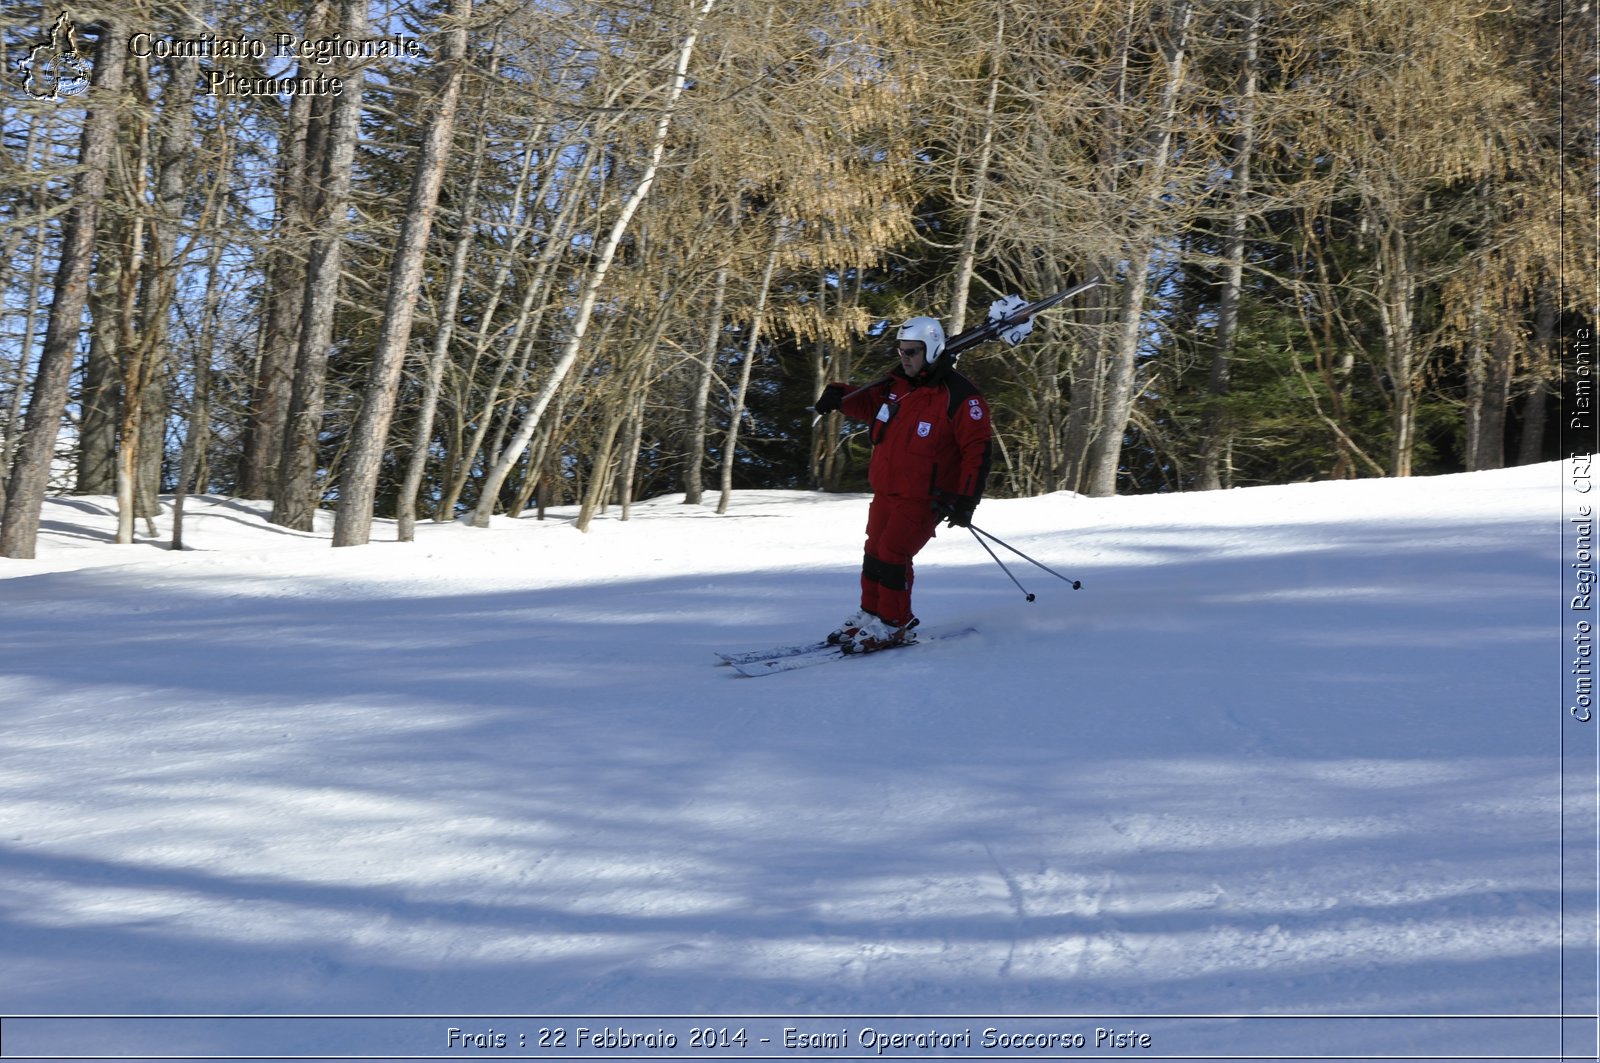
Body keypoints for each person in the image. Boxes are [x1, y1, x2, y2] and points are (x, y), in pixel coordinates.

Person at [813, 315, 993, 653]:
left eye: (912, 351)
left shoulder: (960, 397)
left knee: (894, 553)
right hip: (887, 490)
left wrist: (967, 500)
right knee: (874, 550)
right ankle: (872, 614)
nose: (905, 358)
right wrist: (840, 396)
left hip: (925, 497)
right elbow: (870, 407)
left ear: (932, 349)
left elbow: (978, 451)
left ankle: (895, 623)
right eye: (901, 351)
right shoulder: (896, 386)